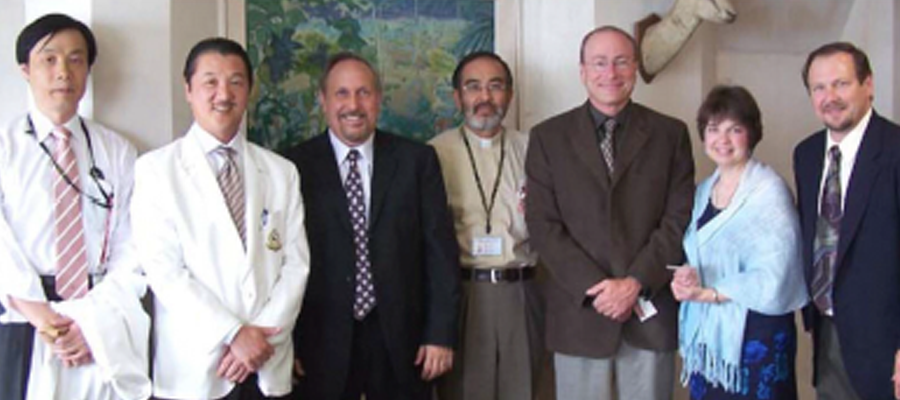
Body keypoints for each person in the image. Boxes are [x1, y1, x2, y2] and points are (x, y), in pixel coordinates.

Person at [131, 37, 310, 400]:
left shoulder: (280, 171)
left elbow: (296, 266)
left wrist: (257, 339)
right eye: (210, 82)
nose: (223, 94)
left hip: (266, 363)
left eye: (235, 82)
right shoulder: (156, 170)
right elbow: (164, 271)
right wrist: (233, 334)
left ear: (249, 90)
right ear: (188, 89)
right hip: (198, 368)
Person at [525, 25, 695, 400]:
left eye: (621, 62)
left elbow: (677, 219)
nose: (610, 73)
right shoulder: (547, 137)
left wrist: (635, 282)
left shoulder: (671, 134)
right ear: (582, 70)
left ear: (635, 68)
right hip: (580, 313)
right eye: (599, 63)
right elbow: (542, 225)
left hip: (649, 312)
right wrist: (599, 289)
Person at [286, 52, 460, 400]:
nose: (354, 104)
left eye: (364, 93)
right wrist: (284, 343)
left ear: (379, 99)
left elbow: (440, 253)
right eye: (342, 93)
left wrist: (440, 333)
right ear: (322, 100)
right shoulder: (293, 167)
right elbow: (278, 263)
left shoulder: (416, 161)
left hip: (402, 339)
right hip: (320, 340)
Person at [0, 13, 150, 400]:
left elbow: (133, 247)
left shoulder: (117, 151)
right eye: (48, 60)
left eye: (75, 59)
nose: (63, 72)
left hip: (99, 320)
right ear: (25, 70)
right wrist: (44, 319)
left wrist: (88, 323)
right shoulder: (5, 147)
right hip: (22, 320)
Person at [671, 85, 808, 400]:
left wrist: (711, 293)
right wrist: (687, 276)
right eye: (713, 129)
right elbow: (698, 254)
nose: (722, 139)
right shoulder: (702, 191)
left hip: (756, 332)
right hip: (710, 337)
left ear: (752, 134)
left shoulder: (769, 191)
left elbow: (777, 273)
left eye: (735, 129)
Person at [429, 51, 542, 400]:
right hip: (461, 293)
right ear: (457, 96)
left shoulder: (534, 150)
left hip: (521, 291)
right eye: (473, 87)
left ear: (509, 94)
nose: (484, 98)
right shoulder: (432, 154)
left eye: (495, 87)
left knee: (524, 390)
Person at [794, 41, 900, 400]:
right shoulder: (806, 155)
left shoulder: (895, 149)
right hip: (827, 333)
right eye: (818, 87)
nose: (830, 96)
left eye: (841, 84)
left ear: (868, 85)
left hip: (887, 342)